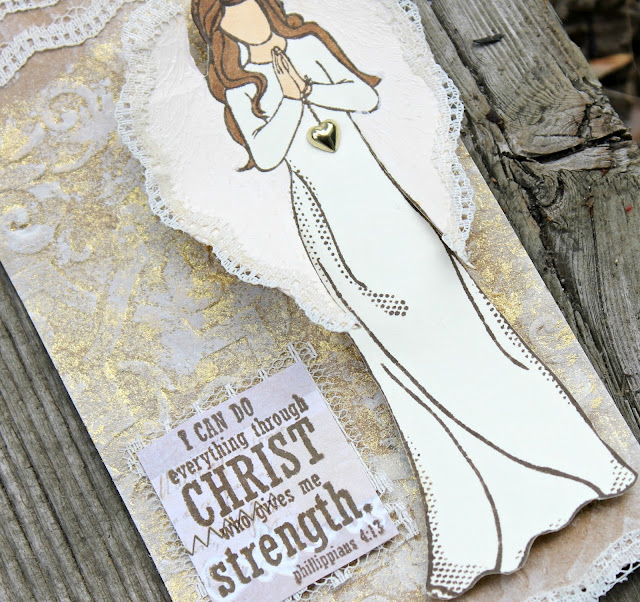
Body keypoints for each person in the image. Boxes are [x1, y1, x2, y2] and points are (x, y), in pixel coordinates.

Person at [192, 0, 636, 597]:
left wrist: (312, 88)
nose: (250, 22)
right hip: (329, 220)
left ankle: (570, 460)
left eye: (254, 8)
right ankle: (479, 517)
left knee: (461, 315)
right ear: (220, 30)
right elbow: (268, 154)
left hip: (382, 194)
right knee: (403, 352)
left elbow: (363, 97)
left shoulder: (310, 45)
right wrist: (290, 102)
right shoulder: (241, 90)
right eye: (234, 18)